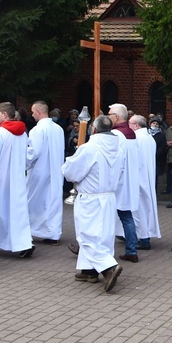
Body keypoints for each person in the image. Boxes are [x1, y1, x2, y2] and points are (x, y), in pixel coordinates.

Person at [62, 115, 124, 292]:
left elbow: (71, 173)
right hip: (109, 196)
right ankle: (89, 271)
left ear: (94, 129)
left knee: (87, 236)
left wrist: (73, 157)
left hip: (91, 197)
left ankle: (108, 268)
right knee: (103, 236)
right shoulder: (118, 148)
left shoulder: (89, 148)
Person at [0, 102, 34, 258]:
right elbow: (28, 155)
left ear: (5, 114)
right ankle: (23, 243)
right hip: (16, 178)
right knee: (16, 212)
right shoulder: (22, 133)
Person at [25, 101, 65, 246]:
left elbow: (33, 152)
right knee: (53, 201)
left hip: (39, 171)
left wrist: (23, 163)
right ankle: (53, 233)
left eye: (33, 111)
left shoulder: (37, 130)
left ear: (39, 111)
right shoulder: (58, 129)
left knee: (35, 202)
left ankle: (31, 230)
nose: (32, 114)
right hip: (55, 169)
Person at [108, 103, 140, 263]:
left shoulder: (115, 134)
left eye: (109, 115)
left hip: (117, 181)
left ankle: (99, 250)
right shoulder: (132, 134)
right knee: (127, 216)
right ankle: (132, 250)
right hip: (130, 180)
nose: (107, 118)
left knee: (107, 216)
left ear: (116, 117)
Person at [129, 115, 161, 251]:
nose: (128, 126)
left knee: (138, 209)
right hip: (147, 176)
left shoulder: (136, 137)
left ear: (136, 125)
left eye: (130, 123)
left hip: (137, 177)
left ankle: (143, 238)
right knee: (145, 208)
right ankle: (141, 235)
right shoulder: (149, 137)